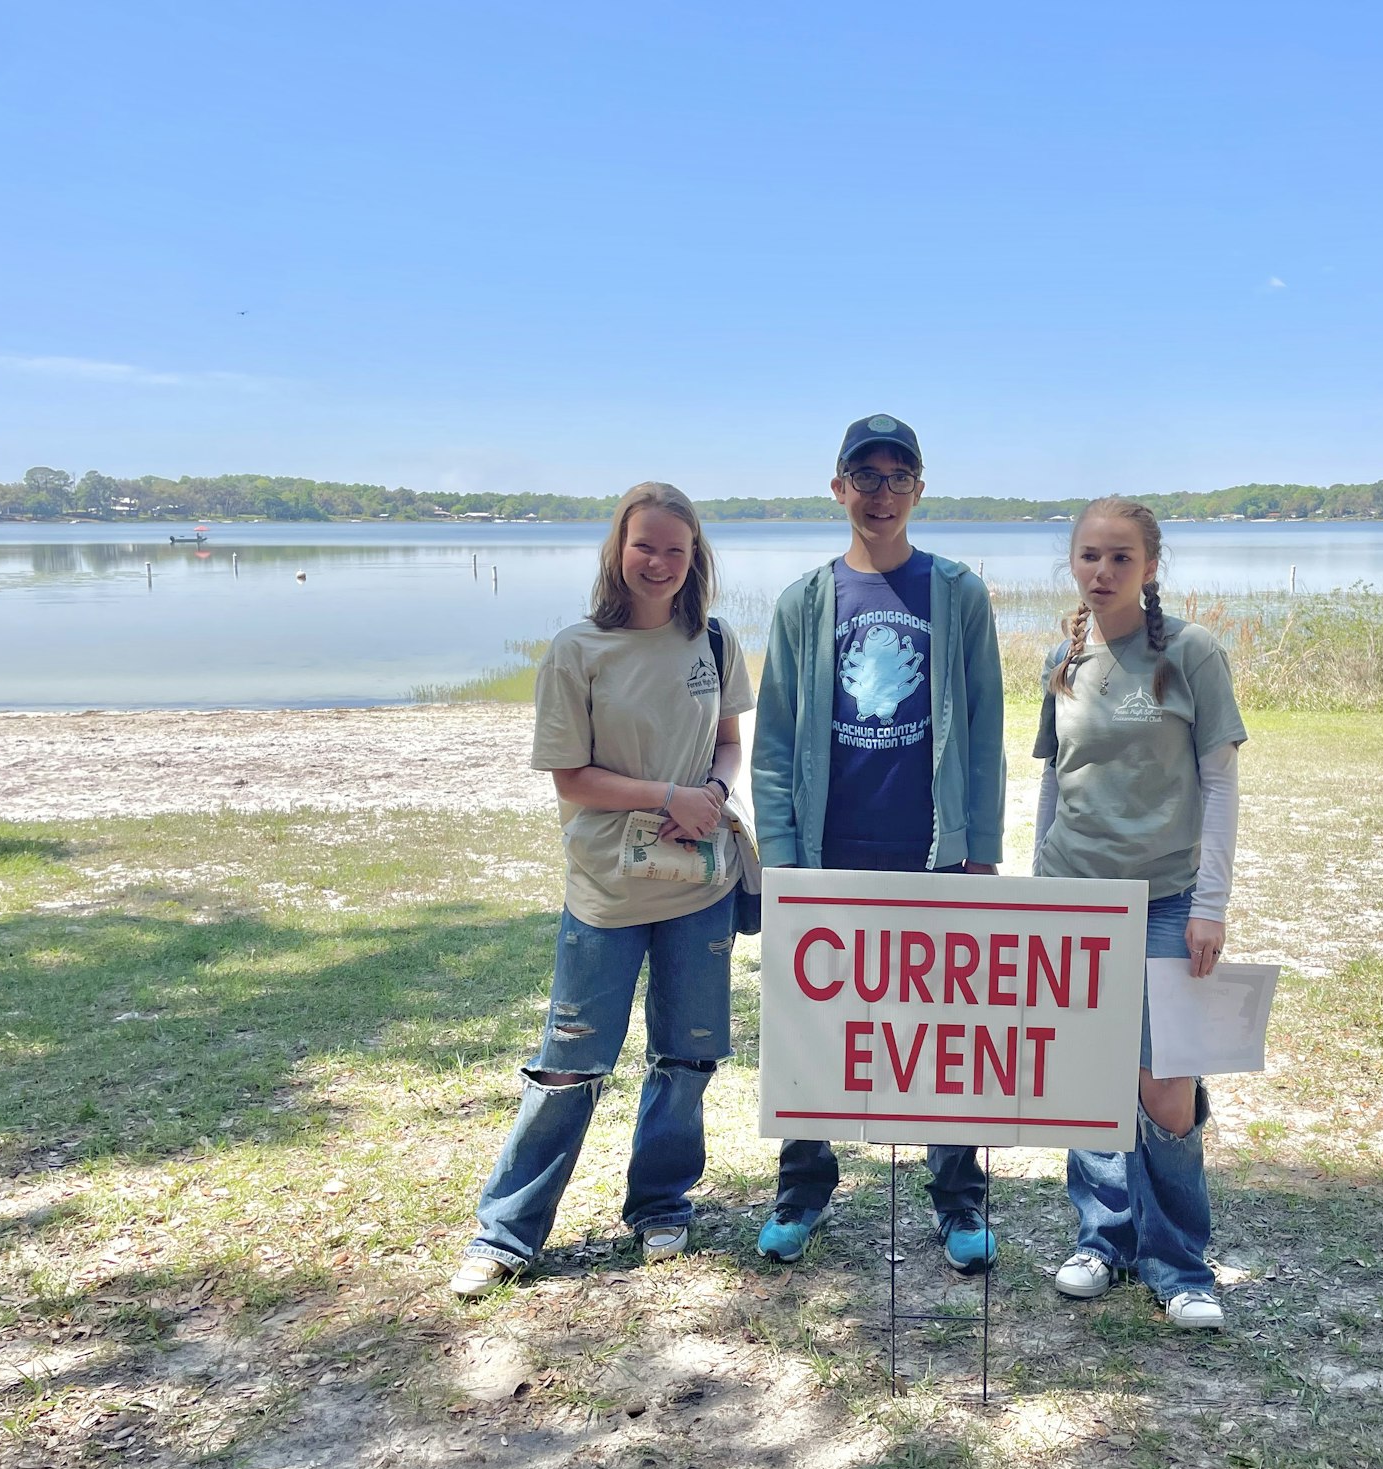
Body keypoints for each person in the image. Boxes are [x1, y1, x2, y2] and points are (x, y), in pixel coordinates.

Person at [449, 482, 754, 1297]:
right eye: (644, 546)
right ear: (618, 551)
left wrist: (715, 798)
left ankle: (661, 1206)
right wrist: (666, 797)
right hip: (605, 892)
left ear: (695, 561)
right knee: (570, 1064)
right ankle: (506, 1233)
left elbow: (728, 744)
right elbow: (571, 778)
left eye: (674, 550)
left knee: (687, 1057)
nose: (658, 563)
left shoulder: (715, 642)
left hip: (700, 885)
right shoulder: (576, 650)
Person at [750, 413, 1007, 1271]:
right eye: (866, 476)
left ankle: (959, 1201)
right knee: (814, 1025)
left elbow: (984, 725)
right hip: (828, 850)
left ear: (919, 491)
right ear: (839, 488)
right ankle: (803, 1190)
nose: (881, 493)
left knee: (942, 1026)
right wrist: (781, 855)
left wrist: (980, 847)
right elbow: (777, 738)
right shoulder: (804, 601)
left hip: (931, 848)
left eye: (898, 477)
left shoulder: (958, 592)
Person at [1031, 497, 1247, 1330]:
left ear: (1150, 566)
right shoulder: (1066, 656)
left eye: (1121, 558)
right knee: (1090, 1076)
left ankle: (1181, 1263)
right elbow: (1056, 780)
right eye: (1089, 556)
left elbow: (1221, 783)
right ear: (1073, 563)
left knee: (1164, 1085)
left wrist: (1211, 904)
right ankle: (1104, 1236)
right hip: (1075, 893)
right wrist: (1040, 881)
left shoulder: (1190, 655)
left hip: (1165, 899)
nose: (1103, 572)